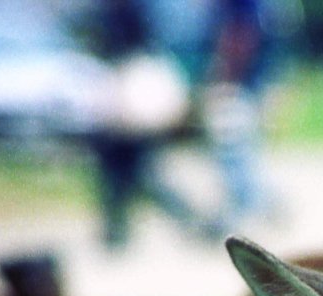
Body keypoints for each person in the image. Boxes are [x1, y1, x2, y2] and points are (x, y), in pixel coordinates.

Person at [87, 0, 211, 250]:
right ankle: (116, 230)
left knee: (138, 173)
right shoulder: (116, 10)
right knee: (119, 172)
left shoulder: (133, 10)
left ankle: (190, 219)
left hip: (132, 90)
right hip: (122, 92)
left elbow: (133, 47)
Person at [201, 0, 292, 233]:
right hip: (259, 76)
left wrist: (225, 76)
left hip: (243, 79)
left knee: (233, 147)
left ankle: (248, 209)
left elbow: (242, 34)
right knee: (242, 149)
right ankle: (264, 204)